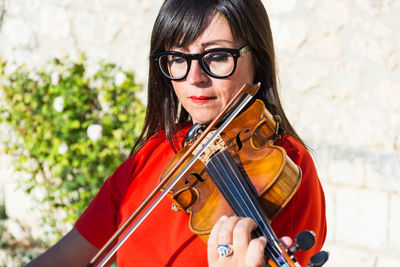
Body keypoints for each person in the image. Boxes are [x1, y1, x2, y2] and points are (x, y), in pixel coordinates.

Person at [27, 0, 327, 266]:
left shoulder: (285, 166)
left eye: (217, 56)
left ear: (257, 59)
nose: (194, 78)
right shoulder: (152, 156)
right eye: (179, 58)